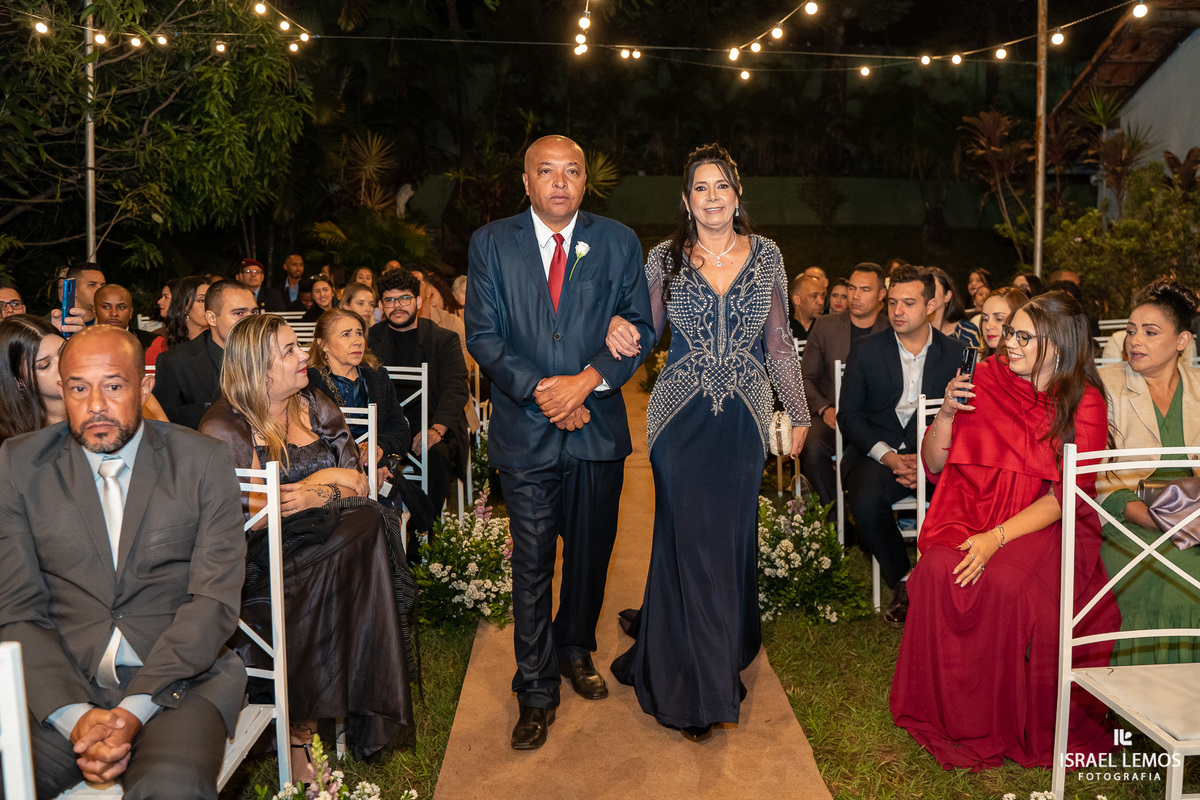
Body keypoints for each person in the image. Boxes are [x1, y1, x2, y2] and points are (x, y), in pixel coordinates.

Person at [605, 143, 808, 742]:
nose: (712, 196)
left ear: (737, 194)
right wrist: (614, 325)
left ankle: (712, 652)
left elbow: (777, 343)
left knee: (727, 542)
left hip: (742, 421)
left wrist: (796, 413)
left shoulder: (767, 256)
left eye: (722, 186)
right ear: (685, 199)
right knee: (688, 539)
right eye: (701, 187)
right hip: (678, 420)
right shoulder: (665, 257)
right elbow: (643, 331)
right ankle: (695, 688)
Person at [465, 134, 654, 751]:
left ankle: (574, 648)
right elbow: (485, 337)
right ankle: (536, 688)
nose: (560, 182)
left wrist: (586, 382)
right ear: (526, 181)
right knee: (531, 563)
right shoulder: (492, 243)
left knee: (592, 556)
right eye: (546, 171)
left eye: (572, 171)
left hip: (597, 432)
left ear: (584, 183)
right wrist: (548, 391)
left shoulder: (620, 241)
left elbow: (640, 328)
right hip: (526, 433)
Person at [0, 326, 247, 798]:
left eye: (113, 386)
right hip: (57, 683)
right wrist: (75, 717)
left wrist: (131, 711)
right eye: (78, 388)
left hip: (178, 684)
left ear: (144, 387)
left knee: (171, 787)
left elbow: (212, 602)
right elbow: (17, 609)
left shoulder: (202, 462)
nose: (95, 404)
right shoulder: (19, 464)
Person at [891, 291, 1119, 770]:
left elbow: (1065, 497)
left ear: (1056, 345)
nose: (1006, 343)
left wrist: (996, 539)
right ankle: (947, 711)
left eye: (1021, 336)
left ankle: (999, 721)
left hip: (1047, 520)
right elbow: (934, 463)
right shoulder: (983, 378)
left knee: (1004, 583)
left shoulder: (1085, 401)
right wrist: (947, 414)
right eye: (1007, 332)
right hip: (972, 505)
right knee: (936, 568)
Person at [199, 316, 415, 775]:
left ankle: (302, 725)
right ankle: (308, 727)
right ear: (260, 369)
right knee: (367, 527)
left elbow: (357, 478)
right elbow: (261, 513)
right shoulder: (224, 425)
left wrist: (319, 488)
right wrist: (334, 484)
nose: (303, 358)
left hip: (330, 548)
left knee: (366, 522)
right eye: (290, 351)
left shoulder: (314, 404)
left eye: (300, 347)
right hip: (262, 562)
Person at [838, 266, 965, 626]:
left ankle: (956, 586)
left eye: (908, 303)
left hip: (936, 458)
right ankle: (906, 581)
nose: (897, 311)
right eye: (893, 302)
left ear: (931, 305)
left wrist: (927, 462)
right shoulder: (866, 350)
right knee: (864, 501)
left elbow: (967, 420)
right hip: (877, 455)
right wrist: (891, 457)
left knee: (969, 498)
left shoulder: (956, 354)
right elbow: (850, 416)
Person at [1096, 280, 1200, 664]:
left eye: (1150, 332)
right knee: (1174, 580)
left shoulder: (1199, 388)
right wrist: (1158, 519)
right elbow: (1097, 477)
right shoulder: (1105, 387)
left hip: (1196, 517)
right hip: (1129, 522)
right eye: (1131, 331)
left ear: (1182, 341)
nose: (1135, 341)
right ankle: (1140, 709)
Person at [370, 268, 469, 519]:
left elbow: (456, 387)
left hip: (432, 424)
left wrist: (437, 430)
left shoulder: (443, 339)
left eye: (405, 298)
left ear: (419, 301)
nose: (398, 306)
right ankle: (386, 526)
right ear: (381, 306)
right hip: (387, 429)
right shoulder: (371, 339)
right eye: (390, 300)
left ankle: (424, 529)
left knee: (434, 455)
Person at [799, 263, 889, 508]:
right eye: (852, 288)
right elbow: (806, 376)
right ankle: (836, 520)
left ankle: (867, 512)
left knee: (875, 452)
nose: (855, 296)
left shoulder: (891, 329)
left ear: (881, 294)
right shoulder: (826, 326)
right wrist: (825, 409)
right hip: (832, 415)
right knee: (813, 447)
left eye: (865, 289)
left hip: (876, 421)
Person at [306, 308, 413, 479]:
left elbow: (401, 429)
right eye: (346, 335)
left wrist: (379, 447)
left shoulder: (377, 377)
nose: (357, 341)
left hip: (379, 468)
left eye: (359, 333)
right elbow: (307, 443)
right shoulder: (309, 383)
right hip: (329, 476)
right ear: (323, 344)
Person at [153, 280, 256, 428]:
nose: (250, 320)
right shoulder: (175, 361)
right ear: (212, 318)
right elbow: (162, 422)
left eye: (254, 312)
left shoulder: (274, 354)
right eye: (239, 313)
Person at [0, 315, 66, 443]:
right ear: (18, 380)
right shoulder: (16, 449)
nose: (63, 365)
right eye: (45, 365)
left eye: (64, 352)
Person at [144, 276, 208, 366]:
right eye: (201, 300)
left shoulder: (223, 344)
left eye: (211, 300)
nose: (208, 306)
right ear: (184, 306)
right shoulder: (162, 348)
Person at [94, 284, 162, 353]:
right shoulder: (84, 342)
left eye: (121, 307)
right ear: (95, 311)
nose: (114, 313)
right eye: (106, 307)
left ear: (130, 312)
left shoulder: (151, 343)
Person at [928, 267, 979, 348]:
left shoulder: (966, 332)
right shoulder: (913, 331)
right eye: (924, 290)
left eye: (933, 289)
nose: (927, 294)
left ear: (947, 296)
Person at [978, 286, 1029, 357]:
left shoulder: (1031, 365)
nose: (988, 326)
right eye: (985, 319)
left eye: (999, 319)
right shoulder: (978, 362)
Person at [789, 273, 825, 342]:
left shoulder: (829, 328)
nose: (821, 302)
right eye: (814, 296)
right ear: (797, 300)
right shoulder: (783, 330)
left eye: (822, 296)